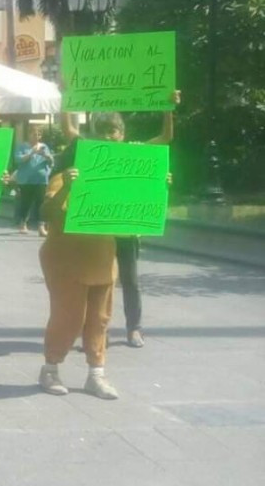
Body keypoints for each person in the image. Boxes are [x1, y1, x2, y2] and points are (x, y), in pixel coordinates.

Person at [37, 115, 168, 401]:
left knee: (100, 319)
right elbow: (48, 213)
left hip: (102, 258)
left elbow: (137, 203)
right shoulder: (62, 178)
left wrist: (158, 184)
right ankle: (50, 368)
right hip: (66, 259)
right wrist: (69, 188)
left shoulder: (115, 181)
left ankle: (96, 375)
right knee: (68, 317)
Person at [61, 93, 178, 349]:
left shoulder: (134, 152)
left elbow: (165, 138)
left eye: (112, 130)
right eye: (102, 131)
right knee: (94, 282)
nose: (107, 135)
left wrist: (167, 107)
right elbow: (68, 130)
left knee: (131, 281)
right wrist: (66, 98)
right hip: (97, 231)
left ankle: (134, 328)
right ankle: (91, 331)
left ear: (122, 133)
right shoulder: (89, 153)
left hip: (126, 231)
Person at [13, 126, 54, 236]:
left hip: (41, 179)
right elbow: (18, 160)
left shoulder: (44, 147)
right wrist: (31, 153)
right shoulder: (22, 147)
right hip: (26, 180)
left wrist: (46, 156)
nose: (36, 137)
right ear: (29, 134)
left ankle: (41, 227)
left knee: (41, 203)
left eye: (38, 135)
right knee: (26, 202)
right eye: (34, 134)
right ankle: (23, 224)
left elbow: (51, 162)